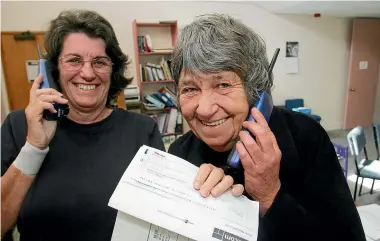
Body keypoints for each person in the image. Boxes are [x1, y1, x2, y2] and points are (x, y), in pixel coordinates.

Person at [168, 14, 366, 241]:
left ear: (254, 91)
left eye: (222, 84)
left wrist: (270, 195)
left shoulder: (305, 137)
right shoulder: (178, 153)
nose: (203, 109)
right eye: (190, 89)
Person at [1, 9, 165, 240]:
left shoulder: (143, 130)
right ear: (52, 70)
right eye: (74, 60)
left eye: (99, 62)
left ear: (113, 70)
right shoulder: (19, 126)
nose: (87, 73)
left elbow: (161, 220)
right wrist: (34, 147)